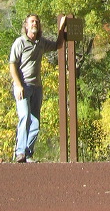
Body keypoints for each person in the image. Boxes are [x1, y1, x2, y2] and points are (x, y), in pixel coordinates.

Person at [9, 14, 67, 163]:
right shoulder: (20, 42)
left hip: (37, 87)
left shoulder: (41, 43)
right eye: (32, 21)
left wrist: (61, 27)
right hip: (23, 87)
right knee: (25, 116)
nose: (35, 23)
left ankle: (28, 154)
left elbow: (57, 45)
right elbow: (12, 65)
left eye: (37, 22)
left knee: (35, 121)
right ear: (26, 25)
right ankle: (20, 152)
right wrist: (18, 85)